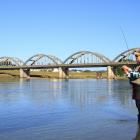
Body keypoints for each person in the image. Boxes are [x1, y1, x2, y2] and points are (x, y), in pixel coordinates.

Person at [122, 49, 140, 124]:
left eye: (137, 56)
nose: (136, 58)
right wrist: (127, 70)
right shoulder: (137, 67)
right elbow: (133, 75)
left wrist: (127, 70)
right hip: (137, 92)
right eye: (135, 56)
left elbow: (136, 75)